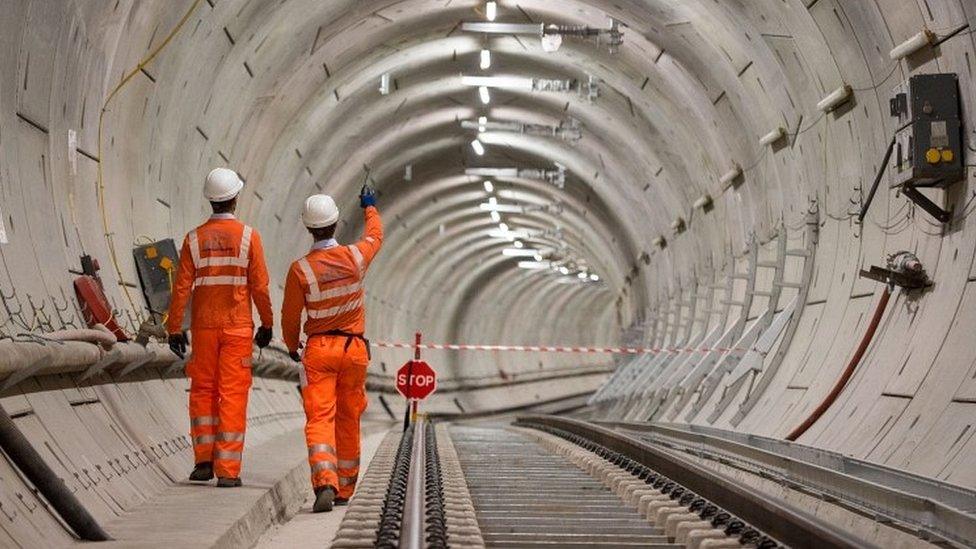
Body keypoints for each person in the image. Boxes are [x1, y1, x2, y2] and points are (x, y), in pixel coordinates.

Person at [166, 167, 274, 487]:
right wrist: (267, 324)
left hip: (203, 328)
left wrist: (174, 328)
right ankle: (228, 470)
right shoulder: (248, 237)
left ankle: (203, 462)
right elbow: (261, 287)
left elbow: (181, 288)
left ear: (210, 201)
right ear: (235, 198)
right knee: (233, 395)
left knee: (202, 392)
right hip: (238, 327)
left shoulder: (193, 239)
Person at [281, 186, 382, 512]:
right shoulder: (355, 257)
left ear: (308, 228)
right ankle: (346, 487)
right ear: (336, 223)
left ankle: (325, 480)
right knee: (349, 417)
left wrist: (290, 344)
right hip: (353, 350)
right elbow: (376, 237)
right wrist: (369, 207)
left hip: (319, 351)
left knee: (320, 418)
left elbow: (290, 314)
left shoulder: (301, 269)